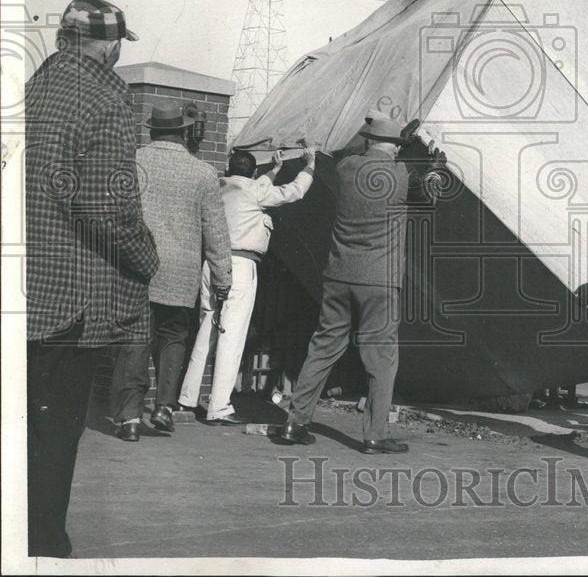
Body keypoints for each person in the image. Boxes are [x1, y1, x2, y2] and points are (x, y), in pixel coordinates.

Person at [25, 0, 159, 556]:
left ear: (63, 38)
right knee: (51, 441)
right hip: (66, 299)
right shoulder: (105, 97)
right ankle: (43, 548)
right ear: (109, 45)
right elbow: (107, 208)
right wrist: (146, 257)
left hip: (19, 289)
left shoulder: (29, 88)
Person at [280, 118, 445, 452]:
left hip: (339, 273)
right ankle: (375, 434)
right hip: (379, 281)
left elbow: (358, 148)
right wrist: (434, 170)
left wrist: (394, 139)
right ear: (397, 147)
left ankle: (295, 423)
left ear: (369, 139)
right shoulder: (400, 175)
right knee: (381, 357)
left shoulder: (347, 168)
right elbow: (429, 197)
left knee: (324, 346)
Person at [108, 101, 231, 441]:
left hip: (136, 266)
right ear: (182, 132)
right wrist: (223, 280)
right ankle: (163, 406)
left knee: (135, 341)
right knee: (174, 338)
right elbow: (216, 232)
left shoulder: (132, 163)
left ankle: (129, 418)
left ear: (152, 130)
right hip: (181, 271)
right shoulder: (204, 173)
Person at [178, 146, 316, 424]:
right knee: (233, 335)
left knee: (207, 331)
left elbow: (256, 186)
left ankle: (187, 398)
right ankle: (219, 406)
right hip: (240, 265)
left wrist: (274, 170)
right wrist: (309, 166)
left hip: (211, 264)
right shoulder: (255, 190)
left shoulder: (219, 186)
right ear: (253, 173)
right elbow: (294, 191)